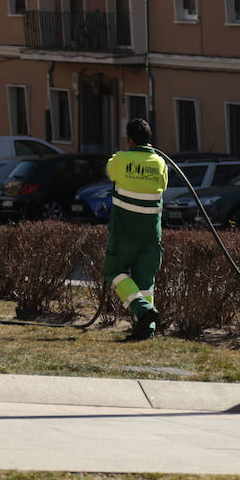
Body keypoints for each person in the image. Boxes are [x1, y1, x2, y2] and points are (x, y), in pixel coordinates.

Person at [104, 118, 168, 341]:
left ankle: (142, 310)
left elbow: (110, 172)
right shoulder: (160, 163)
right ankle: (147, 330)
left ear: (129, 140)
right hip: (152, 233)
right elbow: (164, 185)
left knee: (113, 271)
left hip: (125, 231)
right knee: (146, 281)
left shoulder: (121, 159)